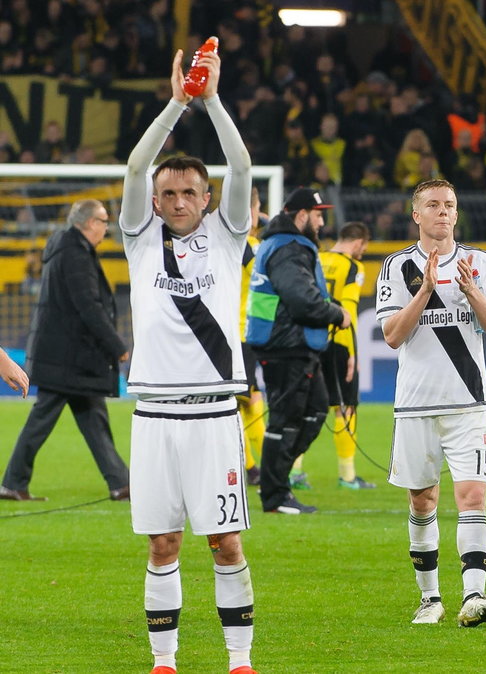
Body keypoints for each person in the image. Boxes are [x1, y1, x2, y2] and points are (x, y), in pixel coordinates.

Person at [119, 47, 258, 674]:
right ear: (156, 200)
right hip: (154, 414)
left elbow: (242, 164)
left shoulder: (228, 238)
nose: (177, 202)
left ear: (207, 199)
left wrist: (213, 101)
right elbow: (136, 164)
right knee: (162, 542)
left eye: (188, 193)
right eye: (168, 193)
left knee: (225, 543)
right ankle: (165, 661)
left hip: (211, 415)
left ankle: (239, 661)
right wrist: (177, 101)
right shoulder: (140, 238)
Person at [376, 179, 486, 627]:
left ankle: (474, 595)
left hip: (469, 401)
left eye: (449, 205)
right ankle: (430, 597)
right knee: (422, 500)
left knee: (472, 496)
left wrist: (471, 292)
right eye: (432, 205)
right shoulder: (396, 267)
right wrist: (424, 291)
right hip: (415, 404)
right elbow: (392, 336)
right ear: (416, 215)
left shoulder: (483, 263)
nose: (442, 212)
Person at [1, 199, 131, 503]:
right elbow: (88, 305)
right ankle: (12, 482)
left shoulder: (67, 248)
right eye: (102, 221)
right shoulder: (75, 253)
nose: (105, 228)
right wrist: (116, 345)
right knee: (46, 418)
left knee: (91, 416)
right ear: (88, 223)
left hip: (68, 356)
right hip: (67, 357)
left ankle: (120, 483)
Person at [245, 187, 351, 514]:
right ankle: (275, 496)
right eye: (318, 215)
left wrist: (327, 306)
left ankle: (276, 482)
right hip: (286, 344)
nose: (321, 222)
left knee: (315, 410)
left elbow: (300, 292)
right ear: (302, 215)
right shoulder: (290, 247)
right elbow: (300, 299)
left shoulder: (281, 243)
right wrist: (336, 313)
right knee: (286, 420)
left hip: (291, 343)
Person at [313, 221, 374, 489]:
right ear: (359, 242)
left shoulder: (317, 258)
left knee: (309, 407)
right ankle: (347, 475)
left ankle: (295, 471)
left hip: (312, 339)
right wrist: (351, 351)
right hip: (338, 340)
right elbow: (348, 312)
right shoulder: (353, 267)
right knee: (346, 407)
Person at [237, 188, 267, 486]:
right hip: (243, 331)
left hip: (231, 332)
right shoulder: (248, 246)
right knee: (244, 399)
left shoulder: (221, 244)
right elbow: (265, 274)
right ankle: (251, 467)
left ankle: (254, 466)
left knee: (247, 397)